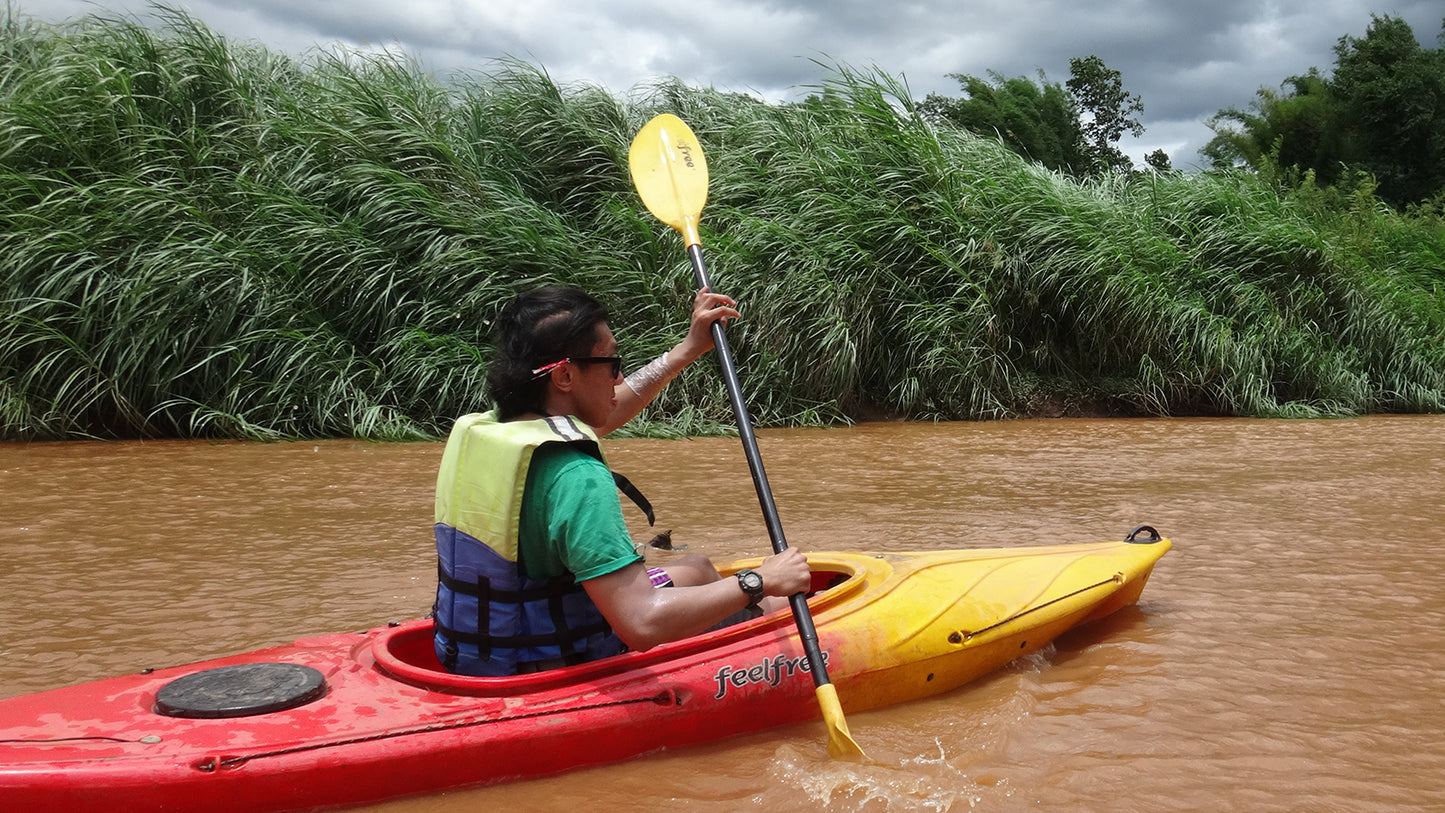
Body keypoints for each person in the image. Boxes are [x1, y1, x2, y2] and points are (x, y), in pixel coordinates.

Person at [432, 285, 812, 676]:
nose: (620, 377)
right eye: (611, 364)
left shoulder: (492, 428)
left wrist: (687, 349)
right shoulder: (577, 477)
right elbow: (642, 623)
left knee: (696, 567)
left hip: (476, 649)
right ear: (564, 375)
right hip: (550, 663)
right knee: (778, 604)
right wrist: (761, 580)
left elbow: (607, 411)